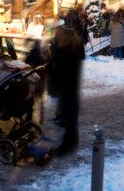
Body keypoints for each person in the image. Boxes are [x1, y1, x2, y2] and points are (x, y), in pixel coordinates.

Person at [48, 25, 85, 156]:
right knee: (70, 117)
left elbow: (60, 69)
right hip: (70, 88)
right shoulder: (74, 50)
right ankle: (69, 141)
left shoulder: (68, 52)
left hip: (67, 87)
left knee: (70, 117)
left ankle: (69, 143)